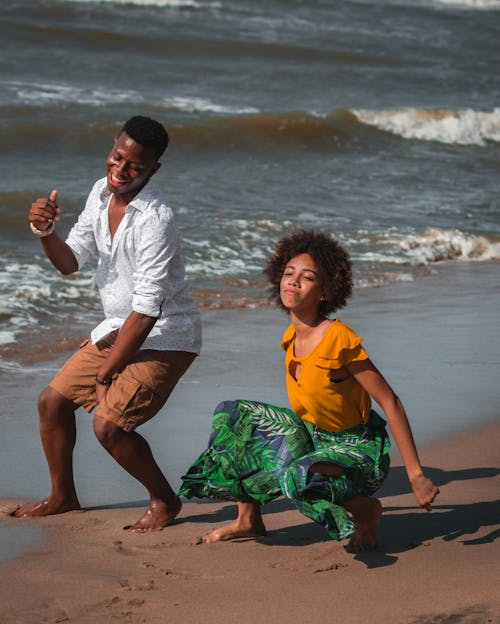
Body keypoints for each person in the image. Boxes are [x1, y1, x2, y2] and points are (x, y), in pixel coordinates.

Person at [179, 229, 439, 551]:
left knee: (295, 477)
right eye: (289, 274)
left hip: (355, 452)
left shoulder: (338, 339)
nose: (294, 282)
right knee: (235, 416)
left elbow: (390, 401)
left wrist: (415, 475)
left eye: (307, 277)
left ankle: (365, 509)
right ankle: (248, 519)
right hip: (315, 436)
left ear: (326, 291)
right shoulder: (291, 337)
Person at [14, 115, 202, 532]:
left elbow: (148, 310)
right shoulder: (101, 192)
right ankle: (63, 496)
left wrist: (106, 370)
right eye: (117, 157)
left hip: (167, 336)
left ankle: (165, 501)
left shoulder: (157, 219)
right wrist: (45, 230)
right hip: (120, 325)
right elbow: (70, 261)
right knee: (51, 403)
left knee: (109, 426)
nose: (120, 170)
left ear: (153, 169)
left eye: (135, 165)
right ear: (111, 150)